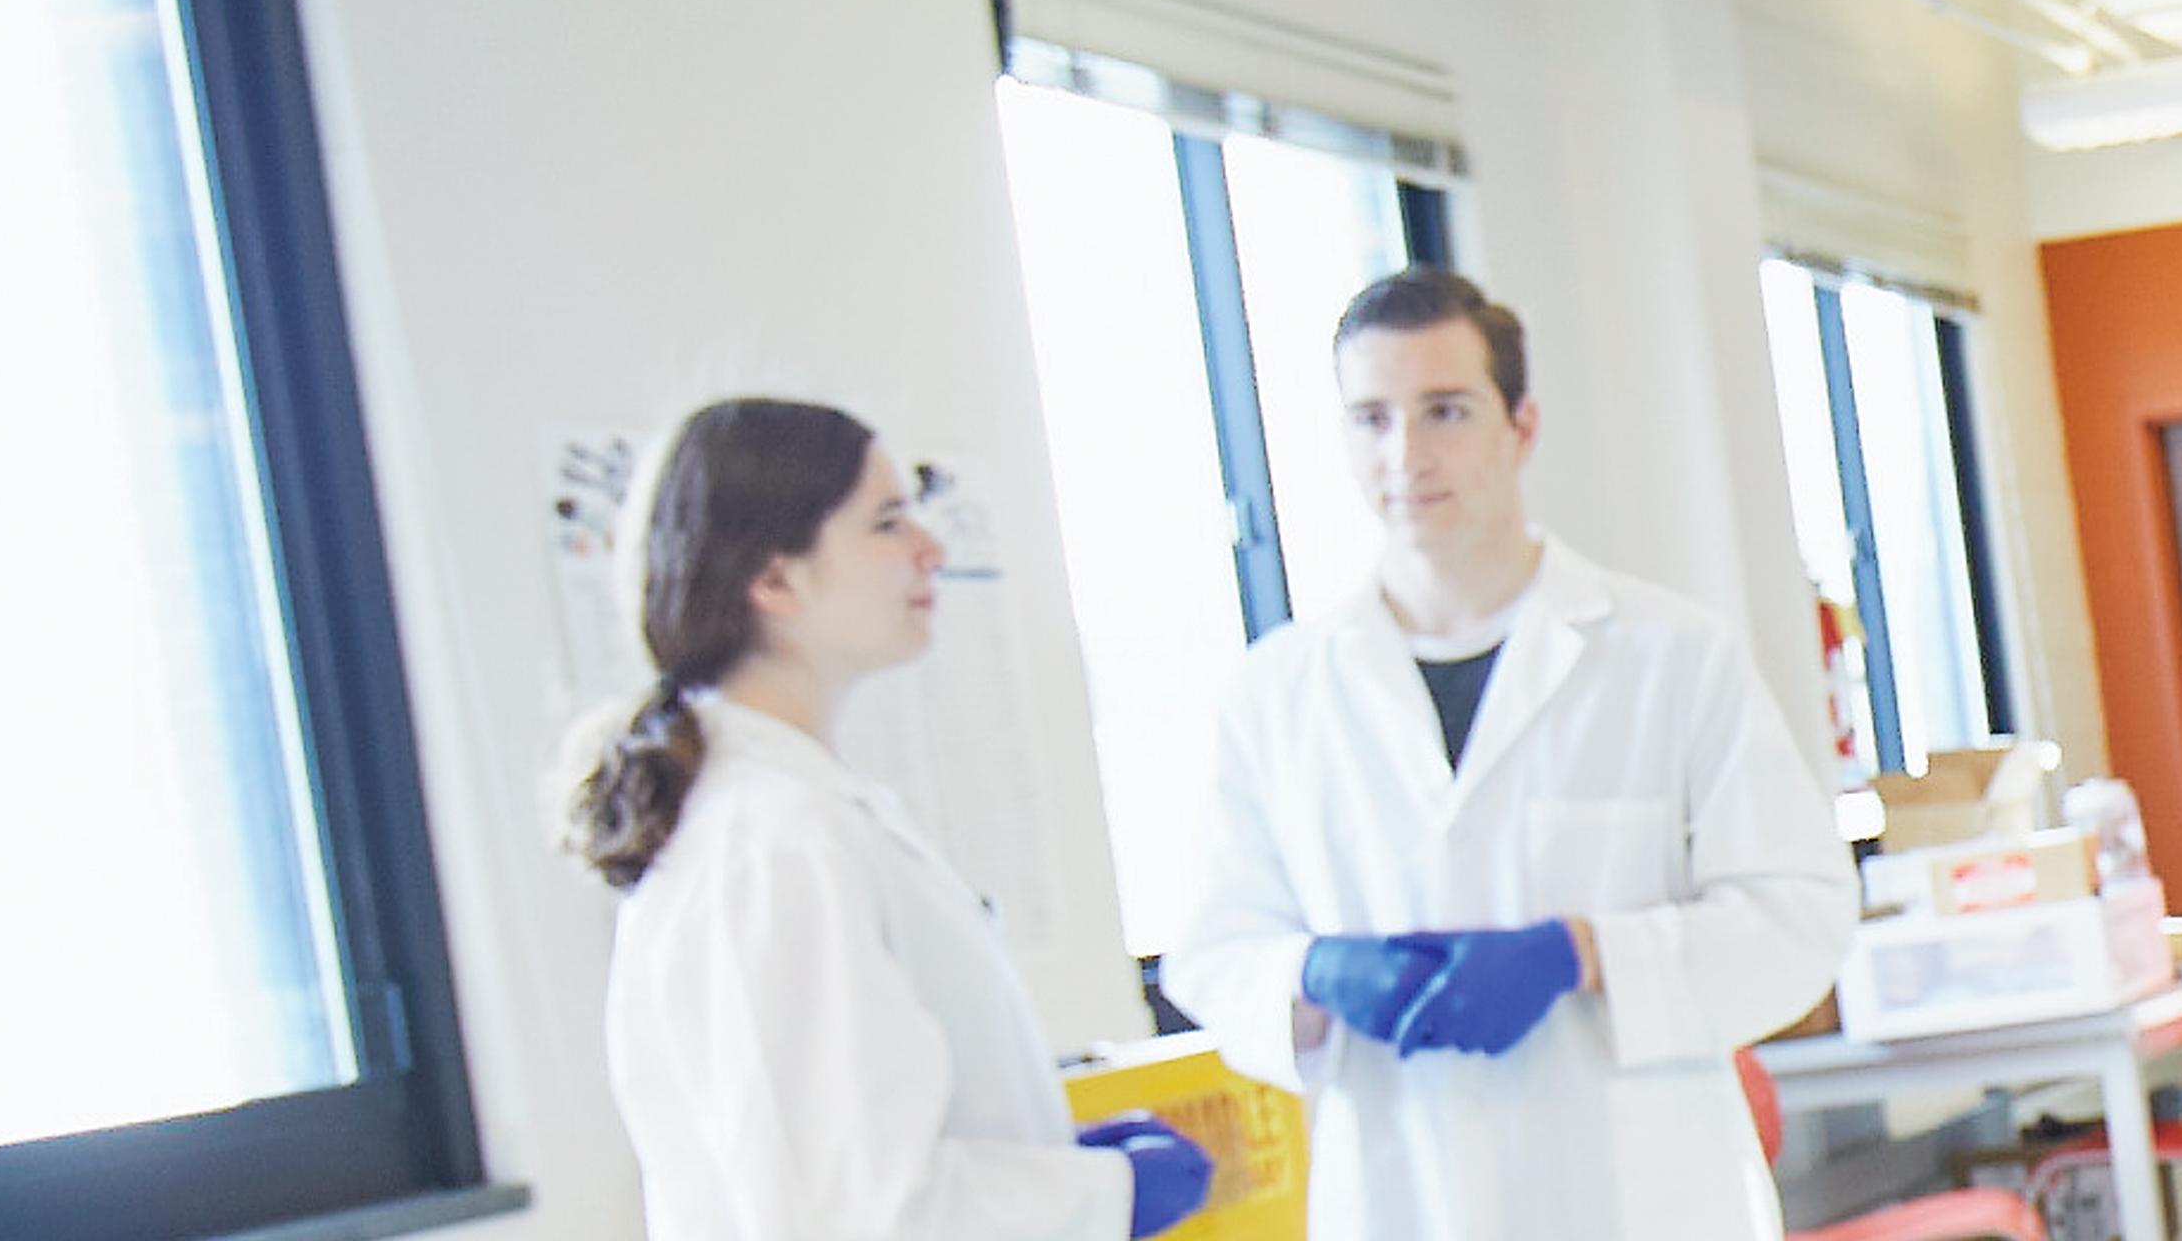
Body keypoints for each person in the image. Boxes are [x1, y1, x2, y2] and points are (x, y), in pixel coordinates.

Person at [1158, 271, 1861, 1240]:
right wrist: (1314, 975)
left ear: (1521, 427)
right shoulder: (1276, 694)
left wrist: (1583, 955)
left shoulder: (1671, 655)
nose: (1405, 454)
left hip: (1642, 1199)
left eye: (1445, 411)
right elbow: (1212, 954)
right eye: (1370, 418)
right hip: (1404, 1199)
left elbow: (1801, 920)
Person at [577, 398, 1213, 1241]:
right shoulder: (769, 843)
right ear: (773, 580)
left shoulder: (806, 816)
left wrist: (1062, 1170)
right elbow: (854, 1214)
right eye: (887, 523)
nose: (932, 550)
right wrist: (1100, 1196)